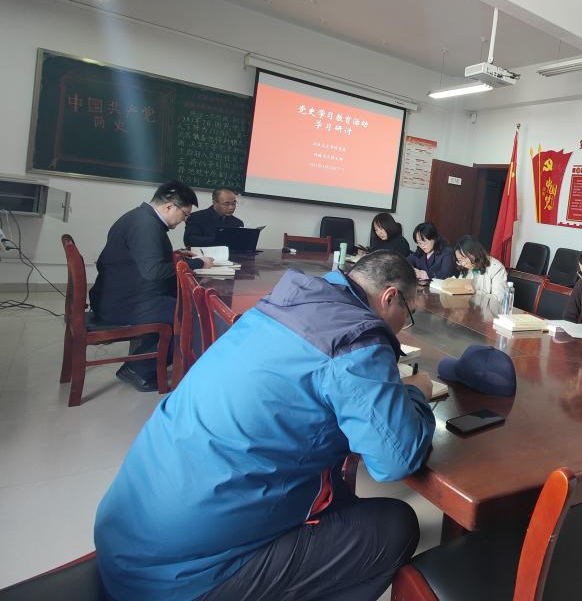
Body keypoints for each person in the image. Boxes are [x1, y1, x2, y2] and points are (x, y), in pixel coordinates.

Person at [94, 251, 436, 601]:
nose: (402, 325)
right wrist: (416, 394)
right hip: (178, 580)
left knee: (338, 496)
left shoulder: (282, 305)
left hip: (126, 537)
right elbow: (394, 460)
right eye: (407, 314)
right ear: (389, 297)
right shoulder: (357, 338)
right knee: (395, 527)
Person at [89, 180, 213, 392]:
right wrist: (198, 263)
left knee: (180, 302)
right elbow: (153, 271)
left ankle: (147, 358)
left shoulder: (140, 218)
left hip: (117, 294)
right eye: (185, 214)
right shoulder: (146, 226)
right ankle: (139, 369)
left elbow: (143, 259)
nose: (184, 220)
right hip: (123, 303)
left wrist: (175, 256)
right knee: (191, 315)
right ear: (169, 206)